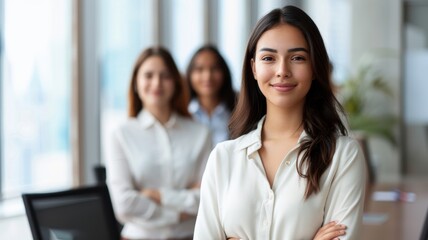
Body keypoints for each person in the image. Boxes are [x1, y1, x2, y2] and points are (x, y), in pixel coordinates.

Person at [194, 5, 366, 240]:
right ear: (254, 68)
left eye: (297, 58)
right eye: (268, 58)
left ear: (315, 67)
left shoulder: (342, 156)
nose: (282, 70)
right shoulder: (223, 158)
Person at [106, 46, 212, 240]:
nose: (157, 83)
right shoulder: (121, 134)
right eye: (148, 75)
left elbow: (208, 198)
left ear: (176, 83)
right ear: (136, 83)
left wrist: (158, 196)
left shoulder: (200, 133)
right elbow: (124, 204)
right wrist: (178, 212)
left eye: (165, 76)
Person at [186, 45, 237, 146]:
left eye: (214, 69)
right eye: (199, 69)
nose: (207, 76)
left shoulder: (239, 111)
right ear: (190, 74)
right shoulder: (183, 113)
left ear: (224, 72)